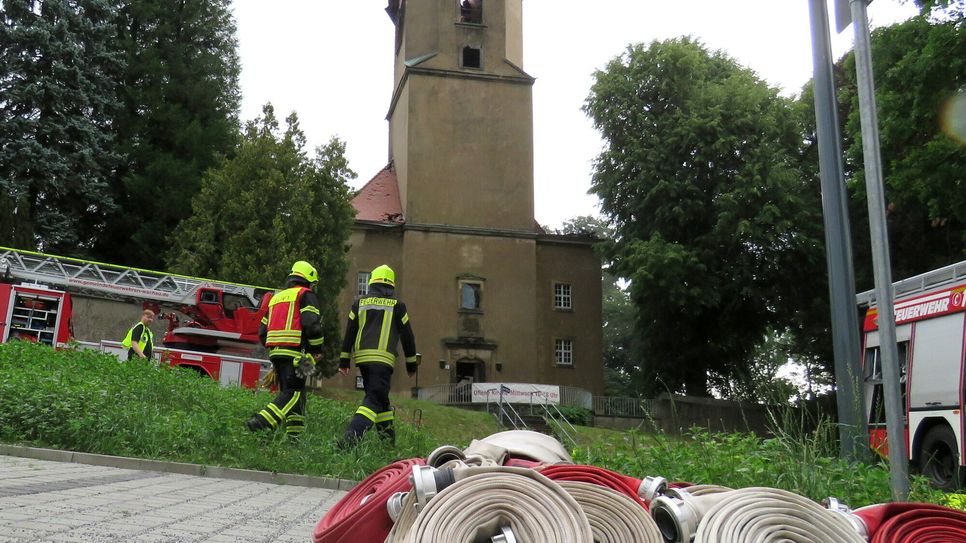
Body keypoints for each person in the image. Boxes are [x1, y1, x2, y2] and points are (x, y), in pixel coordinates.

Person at [339, 264, 418, 446]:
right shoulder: (398, 306)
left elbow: (350, 332)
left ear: (372, 283)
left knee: (381, 400)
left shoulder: (359, 303)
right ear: (391, 286)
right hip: (382, 361)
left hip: (363, 360)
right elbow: (408, 337)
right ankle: (350, 438)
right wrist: (411, 364)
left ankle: (388, 444)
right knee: (374, 399)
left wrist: (344, 360)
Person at [245, 261, 325, 441]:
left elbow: (262, 332)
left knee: (299, 395)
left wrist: (276, 350)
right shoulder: (306, 295)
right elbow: (312, 325)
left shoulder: (276, 298)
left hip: (277, 354)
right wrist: (317, 350)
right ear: (309, 280)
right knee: (293, 392)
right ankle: (261, 422)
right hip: (298, 354)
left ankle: (294, 439)